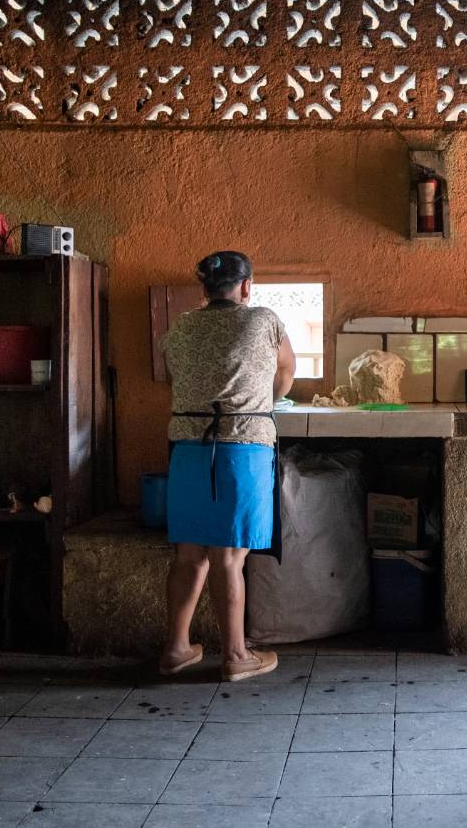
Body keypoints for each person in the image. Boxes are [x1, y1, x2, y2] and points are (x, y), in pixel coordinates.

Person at [158, 250, 295, 682]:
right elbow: (287, 368)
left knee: (189, 554)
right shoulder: (263, 320)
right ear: (247, 286)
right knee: (229, 556)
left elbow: (171, 377)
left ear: (204, 289)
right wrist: (264, 402)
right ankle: (236, 655)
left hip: (187, 446)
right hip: (242, 446)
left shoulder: (179, 327)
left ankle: (177, 649)